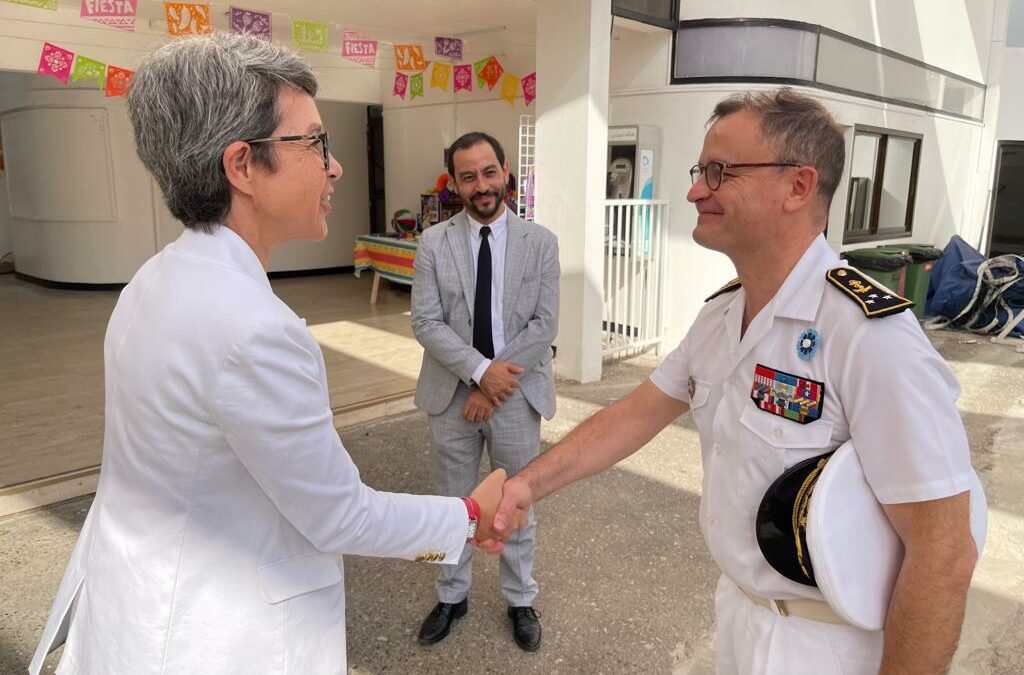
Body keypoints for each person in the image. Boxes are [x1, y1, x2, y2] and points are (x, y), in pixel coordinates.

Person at [29, 33, 523, 675]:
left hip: (137, 609)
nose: (335, 166)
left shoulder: (152, 280)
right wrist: (467, 516)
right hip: (213, 637)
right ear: (242, 166)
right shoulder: (255, 330)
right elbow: (338, 515)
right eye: (316, 143)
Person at [487, 89, 982, 674]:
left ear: (798, 186)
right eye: (701, 171)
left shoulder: (869, 336)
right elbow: (636, 414)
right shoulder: (722, 315)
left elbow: (944, 551)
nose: (697, 189)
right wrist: (528, 486)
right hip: (741, 617)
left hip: (831, 646)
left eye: (719, 172)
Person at [411, 131, 560, 652]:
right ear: (455, 183)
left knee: (516, 503)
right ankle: (452, 594)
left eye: (489, 172)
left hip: (517, 393)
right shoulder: (433, 242)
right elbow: (427, 323)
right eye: (468, 176)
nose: (481, 185)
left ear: (506, 173)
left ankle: (521, 598)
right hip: (451, 394)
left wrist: (493, 385)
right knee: (453, 504)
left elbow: (544, 325)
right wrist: (479, 373)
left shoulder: (540, 243)